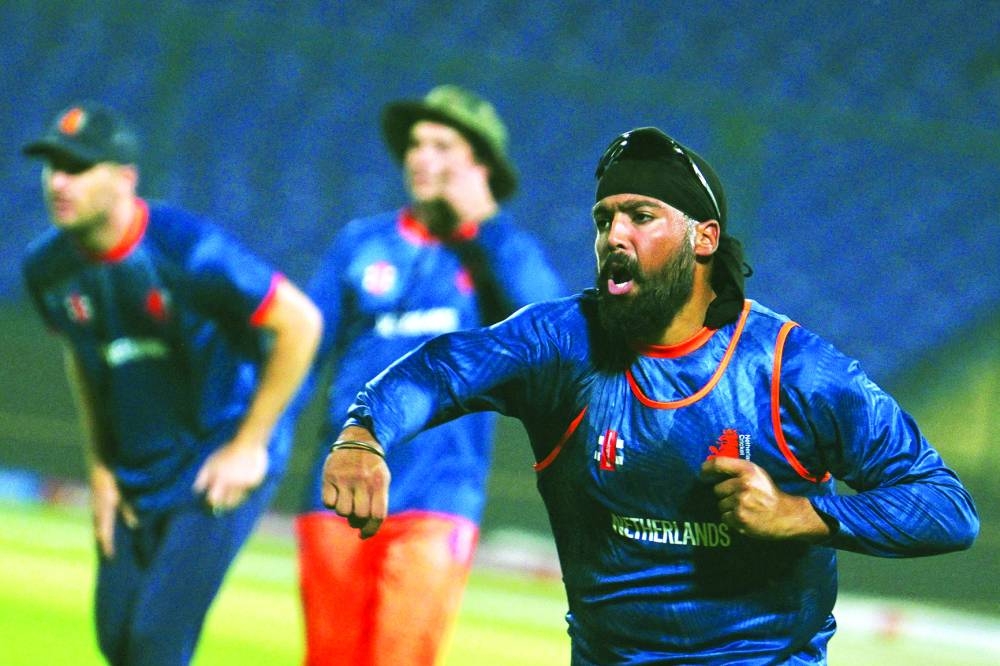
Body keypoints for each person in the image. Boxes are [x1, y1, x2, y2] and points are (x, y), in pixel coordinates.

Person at [319, 126, 980, 664]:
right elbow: (440, 369)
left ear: (704, 238)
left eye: (641, 216)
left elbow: (946, 508)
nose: (615, 237)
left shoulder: (793, 370)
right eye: (604, 219)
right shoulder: (561, 344)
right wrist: (364, 434)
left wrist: (799, 515)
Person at [20, 101, 323, 666]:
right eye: (52, 166)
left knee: (155, 642)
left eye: (77, 167)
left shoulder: (187, 250)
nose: (58, 182)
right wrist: (100, 470)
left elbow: (300, 322)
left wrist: (250, 445)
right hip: (139, 465)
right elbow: (84, 360)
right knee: (117, 637)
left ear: (125, 178)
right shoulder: (47, 269)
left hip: (216, 456)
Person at [295, 84, 565, 665]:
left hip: (437, 498)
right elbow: (302, 352)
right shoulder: (361, 243)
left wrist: (486, 224)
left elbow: (552, 333)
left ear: (481, 166)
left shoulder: (499, 256)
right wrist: (257, 443)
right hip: (340, 487)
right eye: (417, 145)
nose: (421, 158)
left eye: (443, 146)